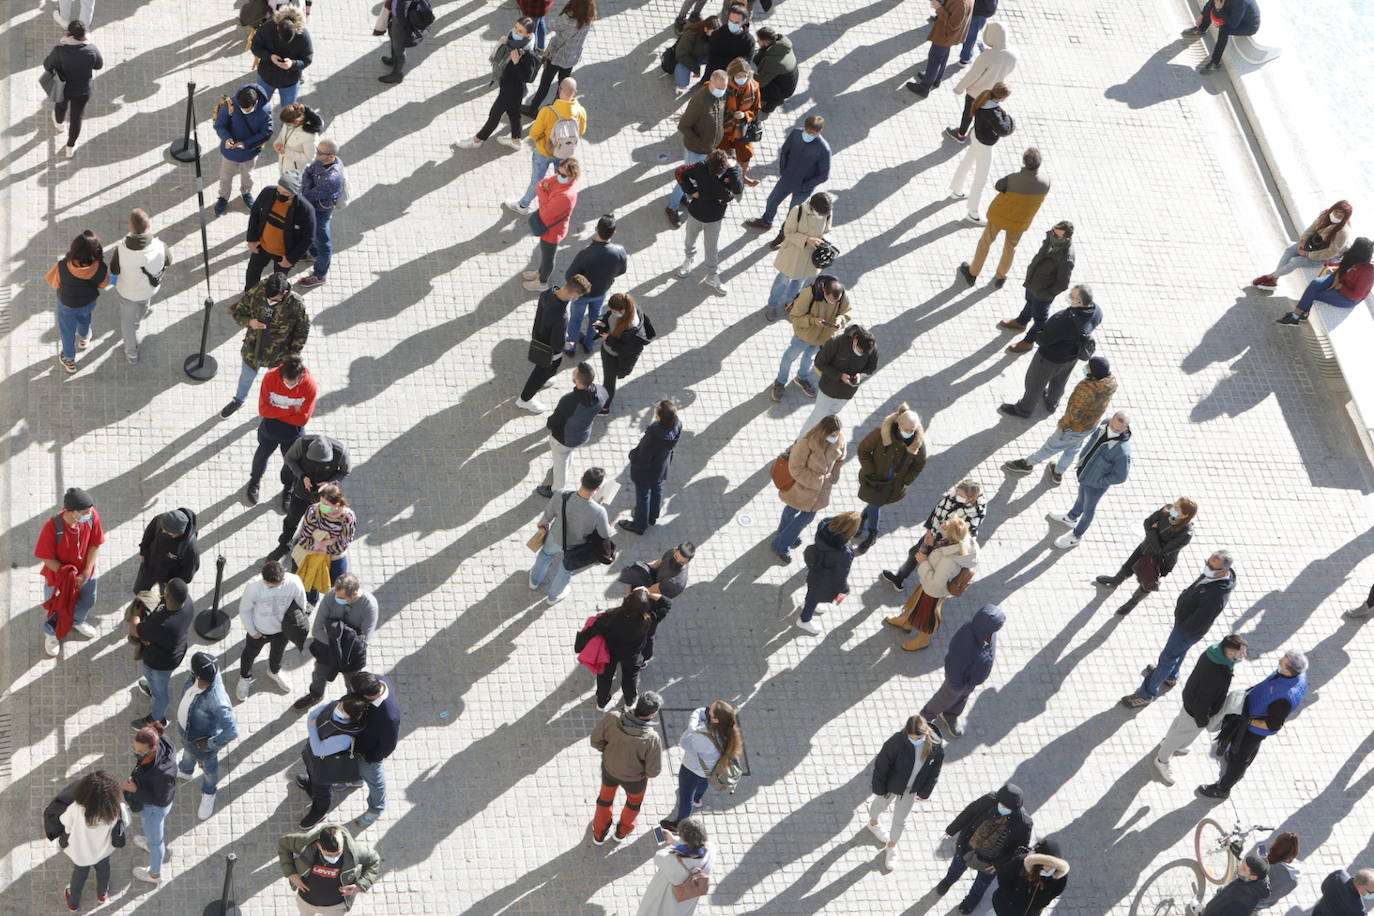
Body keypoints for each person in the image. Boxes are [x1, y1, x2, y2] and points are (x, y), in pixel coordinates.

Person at [1121, 550, 1237, 709]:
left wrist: (1183, 623)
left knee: (1167, 659)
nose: (1207, 567)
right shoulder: (1215, 574)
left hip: (1187, 629)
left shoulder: (1217, 595)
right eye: (1208, 562)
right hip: (1185, 625)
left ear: (1223, 571)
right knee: (1177, 653)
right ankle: (1171, 676)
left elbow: (1200, 619)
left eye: (1211, 566)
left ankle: (1145, 694)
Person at [1199, 650, 1308, 800]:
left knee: (1240, 757)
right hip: (1251, 718)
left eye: (1283, 661)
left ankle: (1223, 789)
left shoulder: (1284, 699)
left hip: (1253, 728)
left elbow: (1272, 726)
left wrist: (1248, 721)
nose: (1279, 660)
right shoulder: (1295, 676)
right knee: (1247, 749)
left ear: (1289, 670)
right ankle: (1237, 758)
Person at [1148, 633, 1247, 786]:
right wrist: (1202, 720)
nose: (1244, 655)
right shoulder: (1217, 672)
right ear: (1229, 652)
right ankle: (1162, 759)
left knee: (1180, 724)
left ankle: (1169, 743)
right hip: (1197, 709)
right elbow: (1204, 699)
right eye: (1241, 653)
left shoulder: (1215, 654)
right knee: (1182, 732)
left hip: (1190, 699)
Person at [1002, 354, 1116, 484]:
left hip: (1073, 427)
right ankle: (1058, 473)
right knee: (1072, 449)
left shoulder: (1087, 389)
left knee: (1051, 447)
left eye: (1088, 367)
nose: (1085, 368)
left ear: (1093, 373)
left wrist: (1063, 424)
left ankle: (1027, 464)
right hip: (1089, 426)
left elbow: (1074, 411)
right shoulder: (1110, 383)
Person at [1000, 284, 1102, 418]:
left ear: (1080, 302)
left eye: (1072, 296)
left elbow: (1042, 340)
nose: (1069, 296)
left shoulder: (1063, 319)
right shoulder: (1097, 311)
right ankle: (1052, 402)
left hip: (1049, 359)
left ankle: (1024, 409)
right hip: (1072, 357)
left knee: (1035, 382)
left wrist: (1039, 332)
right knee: (1060, 381)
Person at [883, 516, 979, 651]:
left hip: (934, 590)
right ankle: (906, 622)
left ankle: (923, 640)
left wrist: (923, 562)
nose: (943, 523)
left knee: (928, 615)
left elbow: (937, 583)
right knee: (917, 601)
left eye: (947, 524)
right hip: (929, 583)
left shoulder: (949, 562)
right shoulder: (957, 541)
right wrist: (932, 543)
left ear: (950, 534)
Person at [222, 273, 310, 418]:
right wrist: (250, 322)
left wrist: (293, 356)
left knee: (276, 384)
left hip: (279, 354)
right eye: (267, 297)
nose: (269, 300)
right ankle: (238, 400)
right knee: (246, 377)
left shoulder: (296, 304)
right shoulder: (259, 290)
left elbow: (302, 331)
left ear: (284, 293)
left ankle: (273, 407)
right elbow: (239, 312)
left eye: (273, 298)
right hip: (253, 349)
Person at [936, 781, 1031, 913]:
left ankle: (972, 900)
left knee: (982, 883)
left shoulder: (1023, 822)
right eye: (1002, 804)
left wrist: (999, 864)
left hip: (992, 861)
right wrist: (951, 829)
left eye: (1007, 807)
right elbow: (969, 812)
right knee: (956, 867)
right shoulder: (989, 800)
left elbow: (1020, 850)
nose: (1002, 807)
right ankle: (948, 881)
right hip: (968, 847)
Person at [865, 716, 945, 870]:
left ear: (925, 733)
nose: (915, 740)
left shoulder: (935, 746)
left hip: (910, 790)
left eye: (919, 737)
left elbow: (935, 771)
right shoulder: (896, 741)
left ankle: (892, 846)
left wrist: (925, 792)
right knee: (879, 805)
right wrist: (880, 789)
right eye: (911, 737)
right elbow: (881, 765)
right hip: (891, 785)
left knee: (900, 820)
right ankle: (873, 823)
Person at [958, 149, 1047, 287]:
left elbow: (998, 185)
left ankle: (973, 273)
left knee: (985, 242)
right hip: (1020, 221)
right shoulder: (1046, 182)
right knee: (1010, 248)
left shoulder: (1012, 179)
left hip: (1000, 216)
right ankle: (1000, 277)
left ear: (1024, 162)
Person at [1096, 497, 1198, 615]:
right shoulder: (1167, 509)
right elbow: (1147, 522)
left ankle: (1132, 603)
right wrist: (1152, 532)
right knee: (1127, 566)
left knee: (1146, 583)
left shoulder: (1186, 534)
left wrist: (1153, 531)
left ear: (1185, 515)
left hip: (1159, 561)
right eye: (1175, 505)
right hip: (1144, 548)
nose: (1172, 508)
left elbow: (1161, 551)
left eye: (1177, 508)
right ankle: (1115, 581)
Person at [451, 18, 541, 150]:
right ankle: (516, 141)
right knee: (514, 113)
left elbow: (526, 77)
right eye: (516, 27)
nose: (515, 31)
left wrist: (516, 62)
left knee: (494, 114)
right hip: (509, 86)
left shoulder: (527, 52)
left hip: (512, 89)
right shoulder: (512, 42)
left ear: (528, 35)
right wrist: (506, 44)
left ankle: (477, 140)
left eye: (520, 31)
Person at [35, 487, 105, 657]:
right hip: (59, 579)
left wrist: (86, 572)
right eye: (85, 511)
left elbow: (95, 544)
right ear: (72, 512)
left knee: (88, 600)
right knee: (56, 608)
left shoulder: (91, 517)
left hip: (85, 574)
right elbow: (47, 558)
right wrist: (69, 576)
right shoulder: (52, 527)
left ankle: (77, 621)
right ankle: (51, 634)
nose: (91, 513)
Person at [293, 573, 378, 710]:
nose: (337, 598)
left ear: (354, 594)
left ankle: (351, 706)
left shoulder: (369, 606)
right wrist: (348, 637)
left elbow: (363, 642)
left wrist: (334, 632)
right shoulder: (331, 595)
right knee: (319, 674)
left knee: (353, 684)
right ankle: (316, 694)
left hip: (351, 657)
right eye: (337, 595)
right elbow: (317, 630)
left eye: (342, 598)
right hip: (328, 651)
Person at [46, 771, 129, 911]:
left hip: (80, 853)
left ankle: (73, 902)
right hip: (104, 851)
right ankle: (102, 894)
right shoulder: (117, 808)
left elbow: (64, 822)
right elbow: (126, 822)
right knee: (104, 870)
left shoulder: (77, 808)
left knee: (79, 875)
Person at [883, 479, 986, 591]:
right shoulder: (952, 496)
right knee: (914, 553)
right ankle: (899, 579)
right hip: (932, 535)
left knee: (928, 566)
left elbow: (959, 539)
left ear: (970, 498)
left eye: (961, 495)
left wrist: (936, 542)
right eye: (957, 491)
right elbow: (937, 511)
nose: (957, 495)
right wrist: (929, 530)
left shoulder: (974, 516)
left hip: (943, 548)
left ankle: (918, 588)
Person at [922, 604, 1004, 741]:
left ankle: (949, 716)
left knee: (961, 699)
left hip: (969, 682)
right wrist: (957, 685)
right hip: (957, 683)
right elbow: (953, 664)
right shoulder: (966, 640)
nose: (996, 632)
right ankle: (924, 720)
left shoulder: (988, 632)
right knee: (943, 699)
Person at [530, 466, 612, 604]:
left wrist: (542, 525)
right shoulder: (599, 512)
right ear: (597, 489)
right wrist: (598, 507)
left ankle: (534, 582)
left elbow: (548, 514)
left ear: (581, 479)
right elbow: (605, 533)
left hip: (555, 537)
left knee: (545, 556)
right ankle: (553, 597)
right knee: (565, 570)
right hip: (576, 546)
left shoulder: (561, 494)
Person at [590, 691, 664, 844]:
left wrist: (608, 752)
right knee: (633, 804)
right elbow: (653, 771)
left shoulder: (612, 717)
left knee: (605, 799)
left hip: (609, 769)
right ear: (652, 714)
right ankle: (622, 832)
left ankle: (599, 832)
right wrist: (644, 774)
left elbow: (595, 741)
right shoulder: (652, 738)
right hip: (635, 780)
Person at [509, 79, 588, 218]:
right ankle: (555, 203)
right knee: (561, 179)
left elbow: (533, 134)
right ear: (575, 93)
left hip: (544, 152)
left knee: (537, 181)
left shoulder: (548, 111)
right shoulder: (580, 112)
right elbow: (581, 132)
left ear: (559, 90)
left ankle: (523, 205)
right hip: (564, 153)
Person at [173, 653, 239, 821]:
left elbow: (232, 731)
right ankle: (186, 771)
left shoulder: (217, 701)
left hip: (202, 745)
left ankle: (209, 792)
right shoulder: (198, 676)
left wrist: (210, 744)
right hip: (187, 736)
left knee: (209, 770)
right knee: (187, 755)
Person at [770, 415, 844, 564]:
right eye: (832, 435)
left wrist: (834, 475)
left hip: (820, 491)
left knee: (797, 514)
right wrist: (817, 481)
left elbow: (840, 459)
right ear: (824, 432)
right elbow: (795, 468)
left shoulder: (839, 439)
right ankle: (780, 545)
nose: (836, 438)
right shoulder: (806, 444)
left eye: (837, 434)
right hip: (802, 489)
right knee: (797, 513)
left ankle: (783, 535)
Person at [855, 404, 927, 553]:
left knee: (875, 503)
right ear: (899, 424)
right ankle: (872, 532)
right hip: (875, 480)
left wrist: (906, 480)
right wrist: (870, 470)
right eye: (907, 429)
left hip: (893, 485)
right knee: (875, 503)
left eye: (912, 430)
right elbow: (863, 450)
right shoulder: (880, 434)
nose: (910, 433)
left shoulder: (917, 443)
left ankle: (863, 520)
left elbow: (919, 463)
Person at [996, 222, 1076, 353]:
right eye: (1053, 232)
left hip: (1043, 292)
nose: (1053, 235)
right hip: (1034, 283)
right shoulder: (1052, 240)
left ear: (1066, 238)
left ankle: (1028, 342)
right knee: (1030, 302)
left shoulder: (1066, 257)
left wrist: (1046, 293)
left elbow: (1063, 284)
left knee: (1040, 320)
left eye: (1056, 235)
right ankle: (1021, 321)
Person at [661, 701, 742, 830]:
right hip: (710, 769)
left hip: (692, 770)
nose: (707, 710)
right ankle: (698, 798)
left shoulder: (703, 735)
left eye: (710, 710)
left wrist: (692, 726)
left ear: (715, 720)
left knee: (686, 797)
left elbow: (684, 742)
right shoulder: (727, 731)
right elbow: (701, 712)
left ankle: (680, 825)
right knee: (703, 782)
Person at [247, 356, 317, 505]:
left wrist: (277, 410)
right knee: (261, 456)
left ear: (301, 377)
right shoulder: (270, 377)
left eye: (292, 384)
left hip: (293, 432)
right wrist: (292, 409)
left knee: (291, 463)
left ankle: (288, 487)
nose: (288, 386)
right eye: (285, 382)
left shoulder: (310, 386)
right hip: (270, 428)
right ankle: (254, 481)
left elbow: (302, 419)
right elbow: (264, 410)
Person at [516, 275, 591, 412]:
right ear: (574, 293)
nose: (578, 298)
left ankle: (544, 380)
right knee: (542, 372)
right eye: (579, 295)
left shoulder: (549, 292)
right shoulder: (560, 316)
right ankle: (524, 399)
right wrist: (566, 342)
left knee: (544, 370)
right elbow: (557, 344)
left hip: (539, 335)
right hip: (549, 350)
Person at [771, 273, 851, 400]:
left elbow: (846, 312)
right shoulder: (809, 294)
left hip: (822, 338)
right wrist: (813, 321)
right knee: (789, 357)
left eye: (835, 302)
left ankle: (801, 378)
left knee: (809, 358)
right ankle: (780, 382)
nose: (832, 303)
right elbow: (794, 317)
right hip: (803, 336)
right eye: (829, 300)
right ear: (824, 290)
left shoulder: (841, 295)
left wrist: (840, 320)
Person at [745, 115, 831, 232]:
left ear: (820, 131)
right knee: (771, 201)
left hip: (803, 188)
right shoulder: (796, 133)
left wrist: (805, 186)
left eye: (812, 133)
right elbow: (785, 151)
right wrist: (783, 169)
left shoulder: (824, 150)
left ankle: (784, 233)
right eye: (807, 131)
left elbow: (823, 175)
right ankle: (766, 222)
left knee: (793, 213)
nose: (808, 135)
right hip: (787, 179)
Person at [108, 208, 173, 363]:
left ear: (131, 227)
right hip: (148, 290)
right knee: (143, 306)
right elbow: (169, 261)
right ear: (148, 226)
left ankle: (132, 353)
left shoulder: (121, 250)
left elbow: (114, 269)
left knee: (126, 323)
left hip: (127, 292)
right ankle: (138, 321)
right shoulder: (160, 246)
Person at [665, 71, 728, 228]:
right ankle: (672, 207)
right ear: (711, 84)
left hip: (707, 149)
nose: (723, 91)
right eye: (720, 87)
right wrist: (702, 145)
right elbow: (683, 126)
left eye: (725, 87)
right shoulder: (699, 102)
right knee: (687, 178)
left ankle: (682, 197)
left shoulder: (719, 96)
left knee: (691, 178)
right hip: (696, 150)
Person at [675, 149, 743, 294]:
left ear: (725, 166)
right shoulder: (700, 167)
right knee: (689, 240)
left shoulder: (731, 171)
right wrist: (691, 191)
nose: (716, 175)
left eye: (719, 172)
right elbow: (680, 173)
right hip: (695, 214)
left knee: (712, 249)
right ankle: (688, 260)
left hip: (714, 219)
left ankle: (712, 276)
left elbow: (738, 189)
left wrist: (735, 168)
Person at [296, 694, 369, 829]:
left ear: (352, 717)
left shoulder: (344, 737)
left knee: (322, 791)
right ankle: (311, 785)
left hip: (325, 768)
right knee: (311, 773)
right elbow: (312, 715)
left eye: (343, 710)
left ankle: (320, 810)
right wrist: (313, 728)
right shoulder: (335, 704)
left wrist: (312, 728)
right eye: (340, 705)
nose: (338, 708)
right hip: (313, 758)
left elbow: (318, 749)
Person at [238, 559, 307, 699]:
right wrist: (252, 631)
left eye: (274, 585)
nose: (270, 587)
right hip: (259, 631)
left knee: (278, 653)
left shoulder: (294, 582)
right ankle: (245, 677)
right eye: (267, 584)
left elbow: (302, 604)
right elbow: (244, 610)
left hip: (283, 630)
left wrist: (294, 627)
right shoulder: (253, 587)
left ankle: (274, 671)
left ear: (283, 578)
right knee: (249, 654)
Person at [537, 362, 607, 498]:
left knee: (560, 462)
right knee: (566, 455)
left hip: (564, 438)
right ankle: (562, 469)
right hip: (583, 435)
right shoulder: (601, 392)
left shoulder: (569, 400)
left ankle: (556, 491)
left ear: (577, 380)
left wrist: (550, 425)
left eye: (574, 372)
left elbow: (555, 421)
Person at [131, 578, 194, 729]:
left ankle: (157, 719)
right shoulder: (188, 603)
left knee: (160, 694)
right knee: (151, 678)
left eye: (165, 591)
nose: (163, 592)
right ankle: (152, 688)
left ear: (168, 597)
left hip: (160, 663)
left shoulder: (163, 624)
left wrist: (135, 614)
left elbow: (135, 629)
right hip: (173, 651)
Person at [274, 433, 351, 557]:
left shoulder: (341, 452)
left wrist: (329, 483)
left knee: (319, 522)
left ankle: (307, 543)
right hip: (302, 491)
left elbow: (345, 471)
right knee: (292, 519)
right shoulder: (301, 444)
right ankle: (284, 544)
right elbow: (290, 458)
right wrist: (302, 476)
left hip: (324, 499)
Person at [577, 588, 654, 709]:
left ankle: (601, 702)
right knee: (630, 678)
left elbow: (596, 627)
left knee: (604, 678)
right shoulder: (648, 619)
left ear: (627, 600)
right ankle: (630, 701)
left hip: (609, 652)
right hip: (632, 656)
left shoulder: (612, 615)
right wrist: (650, 593)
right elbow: (666, 604)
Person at [762, 192, 833, 323]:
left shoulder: (826, 212)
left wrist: (824, 240)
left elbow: (828, 230)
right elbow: (788, 232)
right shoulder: (798, 211)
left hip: (809, 258)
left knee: (799, 282)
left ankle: (790, 303)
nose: (821, 216)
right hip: (793, 255)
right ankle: (772, 305)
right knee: (782, 281)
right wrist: (806, 239)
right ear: (813, 207)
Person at [561, 214, 627, 355]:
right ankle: (589, 344)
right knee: (596, 318)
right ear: (614, 233)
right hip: (601, 293)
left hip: (582, 294)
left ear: (596, 228)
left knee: (575, 319)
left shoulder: (586, 253)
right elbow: (622, 270)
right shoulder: (620, 251)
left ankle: (570, 346)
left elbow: (569, 275)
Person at [278, 823, 381, 913]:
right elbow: (284, 844)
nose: (333, 858)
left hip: (336, 906)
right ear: (319, 846)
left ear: (343, 844)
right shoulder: (306, 843)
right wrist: (290, 873)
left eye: (338, 853)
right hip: (305, 900)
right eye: (328, 854)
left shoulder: (355, 851)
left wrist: (360, 886)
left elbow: (374, 861)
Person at [947, 83, 1012, 223]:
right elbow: (1005, 130)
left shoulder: (984, 96)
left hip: (975, 136)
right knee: (980, 179)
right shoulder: (994, 113)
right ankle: (973, 212)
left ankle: (956, 189)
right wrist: (1008, 118)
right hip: (985, 145)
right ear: (1001, 98)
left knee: (967, 162)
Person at [47, 229, 110, 374]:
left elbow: (54, 283)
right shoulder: (100, 267)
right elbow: (103, 284)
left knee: (67, 331)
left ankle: (69, 359)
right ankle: (84, 337)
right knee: (85, 318)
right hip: (88, 303)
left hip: (67, 305)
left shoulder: (62, 266)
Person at [1252, 200, 1351, 291]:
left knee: (1298, 261)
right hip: (1314, 245)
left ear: (1345, 217)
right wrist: (1302, 243)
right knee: (1290, 249)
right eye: (1336, 212)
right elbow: (1311, 229)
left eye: (1340, 215)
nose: (1337, 215)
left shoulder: (1342, 232)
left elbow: (1330, 252)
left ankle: (1270, 277)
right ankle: (1274, 279)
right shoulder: (1325, 215)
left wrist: (1307, 254)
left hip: (1326, 256)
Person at [123, 720, 176, 886]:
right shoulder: (162, 741)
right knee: (151, 833)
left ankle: (154, 875)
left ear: (153, 748)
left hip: (155, 809)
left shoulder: (162, 773)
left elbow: (160, 799)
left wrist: (134, 790)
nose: (136, 753)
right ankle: (149, 841)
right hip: (155, 805)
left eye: (140, 751)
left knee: (157, 842)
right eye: (135, 748)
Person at [245, 170, 317, 290]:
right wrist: (252, 240)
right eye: (279, 190)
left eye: (285, 193)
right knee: (252, 274)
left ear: (295, 193)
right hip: (261, 246)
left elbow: (308, 238)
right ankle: (248, 300)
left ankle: (273, 305)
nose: (279, 194)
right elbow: (255, 214)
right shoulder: (268, 192)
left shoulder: (306, 210)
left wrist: (290, 259)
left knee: (277, 285)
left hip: (284, 255)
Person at [1276, 237, 1374, 325]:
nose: (1351, 247)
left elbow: (1357, 296)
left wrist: (1341, 287)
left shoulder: (1368, 272)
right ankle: (1300, 314)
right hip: (1339, 279)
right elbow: (1341, 270)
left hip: (1348, 297)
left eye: (1354, 246)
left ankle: (1296, 316)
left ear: (1359, 251)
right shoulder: (1352, 257)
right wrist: (1336, 280)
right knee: (1315, 284)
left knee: (1316, 294)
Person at [800, 324, 877, 434]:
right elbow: (819, 363)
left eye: (864, 353)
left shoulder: (871, 348)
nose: (861, 354)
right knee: (816, 419)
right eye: (860, 351)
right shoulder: (836, 343)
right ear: (855, 340)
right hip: (828, 391)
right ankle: (799, 443)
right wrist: (839, 375)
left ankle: (816, 443)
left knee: (828, 420)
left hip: (846, 394)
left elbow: (871, 368)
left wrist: (861, 375)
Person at [945, 20, 1015, 142]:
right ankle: (976, 131)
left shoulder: (988, 55)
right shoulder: (1014, 54)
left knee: (968, 113)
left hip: (976, 92)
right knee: (983, 114)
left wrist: (959, 88)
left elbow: (973, 75)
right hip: (995, 92)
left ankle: (961, 134)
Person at [523, 0, 597, 113]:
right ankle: (556, 109)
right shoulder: (589, 18)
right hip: (571, 57)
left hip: (556, 56)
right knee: (563, 85)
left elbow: (552, 25)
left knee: (545, 84)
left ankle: (533, 108)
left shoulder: (568, 18)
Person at [348, 671, 401, 829]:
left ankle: (376, 808)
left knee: (375, 782)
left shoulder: (388, 717)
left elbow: (389, 745)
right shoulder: (379, 680)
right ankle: (356, 780)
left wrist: (370, 758)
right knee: (355, 766)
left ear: (367, 696)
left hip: (370, 754)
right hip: (360, 743)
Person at [622, 400, 682, 534]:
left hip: (646, 472)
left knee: (643, 497)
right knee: (657, 489)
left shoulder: (654, 434)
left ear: (659, 417)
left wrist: (632, 456)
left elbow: (642, 458)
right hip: (661, 466)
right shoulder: (677, 425)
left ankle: (639, 525)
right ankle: (653, 515)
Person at [44, 20, 103, 158]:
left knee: (61, 107)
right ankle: (70, 147)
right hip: (82, 90)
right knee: (77, 118)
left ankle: (59, 125)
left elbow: (47, 65)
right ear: (84, 35)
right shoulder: (91, 50)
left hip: (62, 88)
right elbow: (98, 66)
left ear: (69, 33)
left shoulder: (60, 50)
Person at [794, 511, 859, 635]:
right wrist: (845, 589)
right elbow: (841, 575)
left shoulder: (823, 526)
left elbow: (830, 519)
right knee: (814, 596)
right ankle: (804, 619)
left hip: (815, 568)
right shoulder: (844, 553)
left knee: (812, 592)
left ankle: (809, 604)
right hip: (825, 577)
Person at [213, 84, 274, 216]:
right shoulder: (230, 105)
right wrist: (226, 138)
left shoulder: (264, 110)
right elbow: (220, 125)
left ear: (256, 102)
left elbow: (266, 133)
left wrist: (246, 144)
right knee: (225, 177)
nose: (244, 110)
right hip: (230, 152)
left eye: (247, 109)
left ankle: (246, 193)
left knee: (248, 176)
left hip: (249, 153)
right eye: (241, 108)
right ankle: (223, 197)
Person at [522, 158, 581, 292]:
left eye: (563, 175)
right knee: (545, 254)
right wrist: (544, 192)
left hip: (552, 231)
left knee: (548, 257)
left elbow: (546, 212)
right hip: (548, 225)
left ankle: (542, 283)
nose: (559, 176)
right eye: (559, 172)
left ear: (572, 175)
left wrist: (542, 192)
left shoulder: (566, 196)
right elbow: (545, 182)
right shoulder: (560, 178)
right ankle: (540, 273)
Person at [293, 483, 357, 605]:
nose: (322, 506)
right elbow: (305, 537)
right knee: (308, 578)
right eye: (321, 502)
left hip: (333, 555)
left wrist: (323, 545)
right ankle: (310, 601)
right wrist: (327, 542)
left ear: (338, 504)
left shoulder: (348, 517)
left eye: (326, 505)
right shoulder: (313, 511)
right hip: (311, 551)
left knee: (339, 583)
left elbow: (343, 544)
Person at [637, 816, 713, 914]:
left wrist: (673, 843)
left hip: (667, 898)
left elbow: (658, 857)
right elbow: (691, 847)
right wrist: (673, 840)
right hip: (688, 900)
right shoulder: (711, 850)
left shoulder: (673, 862)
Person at [594, 292, 655, 413]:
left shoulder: (632, 329)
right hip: (607, 350)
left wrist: (609, 339)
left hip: (614, 358)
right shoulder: (625, 310)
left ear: (623, 310)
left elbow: (626, 350)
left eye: (614, 311)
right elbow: (608, 316)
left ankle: (605, 408)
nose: (612, 313)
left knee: (609, 383)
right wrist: (602, 322)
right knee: (608, 380)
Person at [297, 139, 345, 290]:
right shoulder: (323, 160)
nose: (316, 154)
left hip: (321, 211)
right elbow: (308, 172)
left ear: (330, 156)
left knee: (322, 240)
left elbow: (310, 195)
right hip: (313, 205)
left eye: (320, 153)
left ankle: (320, 274)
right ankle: (312, 253)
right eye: (318, 150)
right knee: (310, 231)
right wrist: (307, 186)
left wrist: (305, 189)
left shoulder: (332, 178)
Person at [906, 0, 971, 98]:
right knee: (942, 56)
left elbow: (952, 25)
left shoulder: (960, 3)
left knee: (935, 58)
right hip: (949, 36)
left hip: (945, 34)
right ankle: (935, 79)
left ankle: (924, 88)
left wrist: (939, 8)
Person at [252, 5, 312, 107]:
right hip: (266, 77)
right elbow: (255, 47)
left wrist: (292, 64)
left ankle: (285, 124)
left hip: (290, 82)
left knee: (288, 111)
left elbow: (307, 59)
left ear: (295, 31)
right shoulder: (267, 27)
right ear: (277, 27)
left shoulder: (303, 36)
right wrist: (269, 56)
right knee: (259, 105)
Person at [992, 839, 1069, 916]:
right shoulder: (1021, 862)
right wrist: (1009, 897)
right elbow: (1004, 876)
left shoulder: (1060, 874)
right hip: (1005, 909)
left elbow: (1058, 890)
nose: (1048, 868)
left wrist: (1044, 903)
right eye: (1045, 863)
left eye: (1052, 865)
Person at [133, 508, 200, 595]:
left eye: (168, 532)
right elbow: (149, 533)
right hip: (149, 565)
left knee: (164, 599)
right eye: (163, 529)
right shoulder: (162, 520)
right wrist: (143, 552)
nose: (163, 531)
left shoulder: (191, 548)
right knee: (139, 591)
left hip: (167, 579)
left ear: (179, 533)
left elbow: (188, 573)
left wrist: (172, 584)